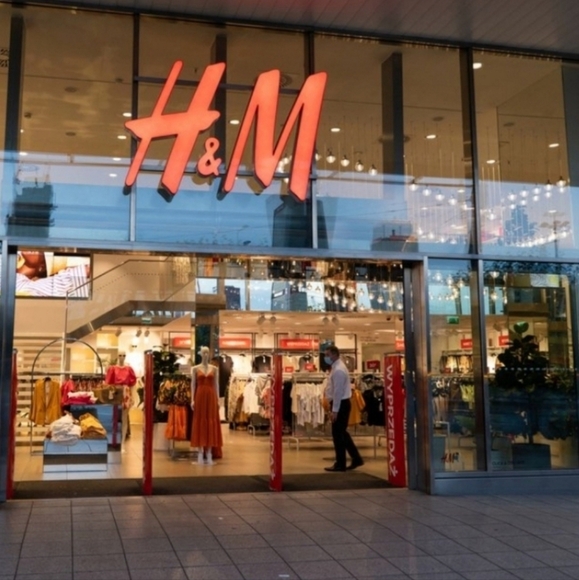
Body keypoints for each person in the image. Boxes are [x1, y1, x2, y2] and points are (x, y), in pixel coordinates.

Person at [324, 344, 364, 472]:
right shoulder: (336, 368)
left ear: (335, 354)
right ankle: (356, 458)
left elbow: (338, 392)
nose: (326, 357)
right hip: (340, 403)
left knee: (338, 435)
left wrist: (335, 410)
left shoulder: (339, 370)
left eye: (328, 355)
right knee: (342, 433)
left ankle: (340, 463)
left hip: (341, 404)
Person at [190, 346, 223, 465]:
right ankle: (200, 453)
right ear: (200, 354)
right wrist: (192, 400)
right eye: (204, 353)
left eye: (207, 353)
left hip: (211, 397)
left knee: (210, 422)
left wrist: (218, 400)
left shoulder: (214, 369)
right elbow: (193, 385)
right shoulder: (195, 368)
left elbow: (216, 385)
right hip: (199, 397)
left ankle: (209, 453)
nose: (205, 355)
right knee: (200, 422)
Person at [105, 352, 137, 447]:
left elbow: (132, 385)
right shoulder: (113, 369)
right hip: (116, 392)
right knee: (113, 417)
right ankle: (113, 440)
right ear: (117, 356)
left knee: (124, 418)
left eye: (124, 355)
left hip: (126, 393)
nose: (122, 357)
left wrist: (133, 397)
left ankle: (122, 443)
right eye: (120, 355)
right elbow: (109, 383)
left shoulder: (129, 369)